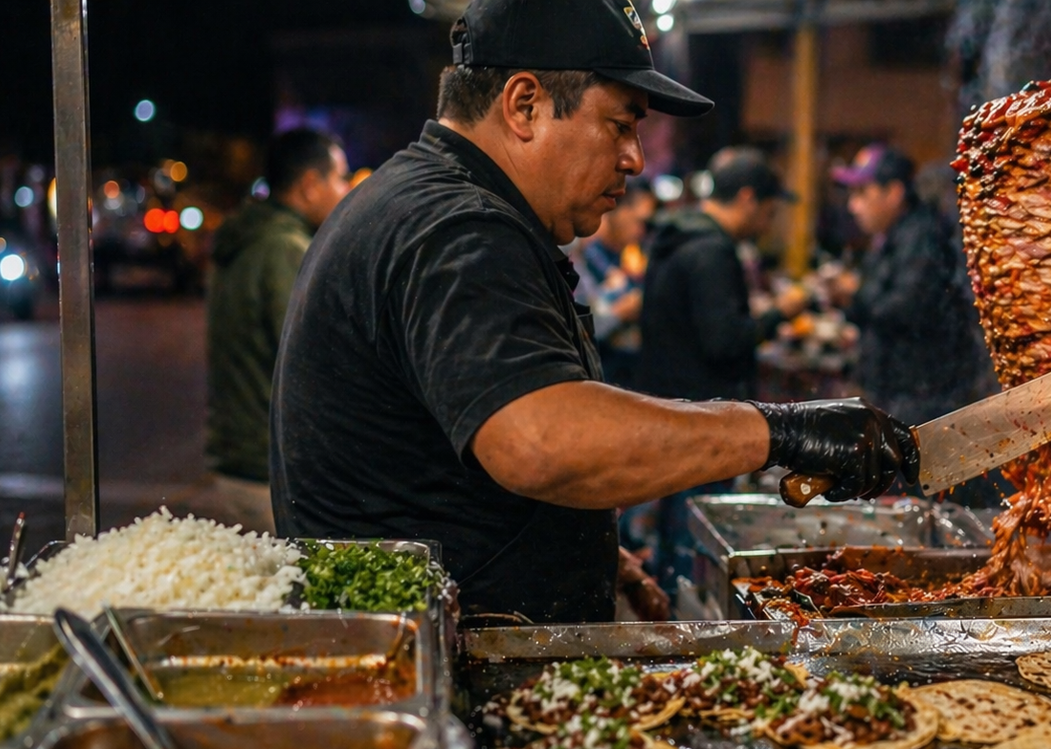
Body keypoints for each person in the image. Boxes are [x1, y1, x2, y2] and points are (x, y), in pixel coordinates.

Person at [270, 0, 918, 623]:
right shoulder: (457, 227)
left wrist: (596, 555)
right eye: (621, 123)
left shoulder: (442, 201)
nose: (635, 157)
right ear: (525, 105)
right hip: (441, 672)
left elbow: (449, 450)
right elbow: (539, 441)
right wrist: (783, 432)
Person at [205, 128, 350, 533]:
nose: (345, 191)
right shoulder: (287, 249)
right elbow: (320, 360)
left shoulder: (245, 238)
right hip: (268, 467)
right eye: (340, 178)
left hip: (237, 455)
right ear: (308, 186)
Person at [831, 143, 992, 427]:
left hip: (924, 398)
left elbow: (905, 308)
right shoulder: (892, 235)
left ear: (893, 193)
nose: (853, 206)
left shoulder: (923, 237)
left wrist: (854, 294)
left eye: (862, 193)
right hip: (899, 391)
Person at [636, 150, 804, 401]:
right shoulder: (711, 250)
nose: (769, 225)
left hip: (668, 400)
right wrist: (779, 313)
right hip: (698, 409)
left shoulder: (680, 232)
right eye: (770, 213)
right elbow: (724, 344)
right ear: (747, 199)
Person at [569, 176, 656, 388]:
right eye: (640, 221)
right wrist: (621, 312)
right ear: (617, 210)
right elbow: (578, 329)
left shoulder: (636, 256)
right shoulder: (583, 258)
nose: (643, 231)